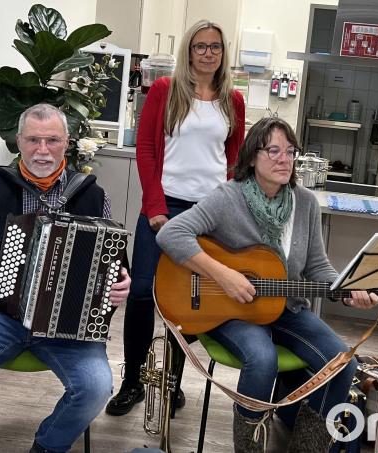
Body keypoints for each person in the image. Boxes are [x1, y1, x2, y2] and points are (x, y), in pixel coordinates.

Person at [155, 117, 378, 452]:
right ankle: (249, 447)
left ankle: (308, 447)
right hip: (229, 311)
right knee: (262, 359)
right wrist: (224, 275)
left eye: (290, 152)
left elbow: (317, 265)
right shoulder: (228, 198)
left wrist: (347, 290)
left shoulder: (305, 203)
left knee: (341, 363)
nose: (283, 159)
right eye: (273, 150)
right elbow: (170, 233)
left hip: (286, 307)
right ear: (251, 158)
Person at [0, 103, 131, 453]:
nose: (42, 150)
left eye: (52, 140)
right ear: (18, 141)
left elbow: (114, 263)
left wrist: (120, 284)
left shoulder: (90, 194)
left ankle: (47, 447)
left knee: (97, 386)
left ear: (67, 142)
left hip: (67, 328)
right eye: (33, 140)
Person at [106, 19, 246, 416]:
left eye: (215, 47)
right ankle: (132, 381)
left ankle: (172, 383)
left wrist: (227, 208)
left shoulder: (231, 100)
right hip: (163, 207)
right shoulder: (166, 91)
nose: (207, 53)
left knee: (187, 302)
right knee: (140, 293)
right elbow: (147, 150)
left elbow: (233, 160)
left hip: (208, 214)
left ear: (223, 53)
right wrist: (155, 207)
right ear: (189, 51)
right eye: (200, 46)